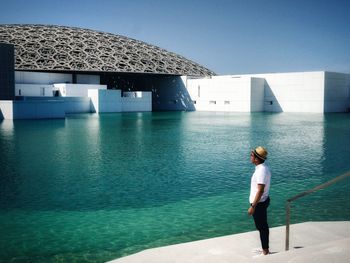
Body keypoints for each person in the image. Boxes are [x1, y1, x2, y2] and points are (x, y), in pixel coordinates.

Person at [248, 146, 271, 255]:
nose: (250, 156)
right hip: (261, 202)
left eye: (252, 155)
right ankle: (264, 248)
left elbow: (260, 190)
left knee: (262, 227)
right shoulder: (262, 168)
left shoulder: (261, 171)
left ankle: (265, 251)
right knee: (261, 226)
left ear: (257, 159)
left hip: (259, 204)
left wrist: (253, 206)